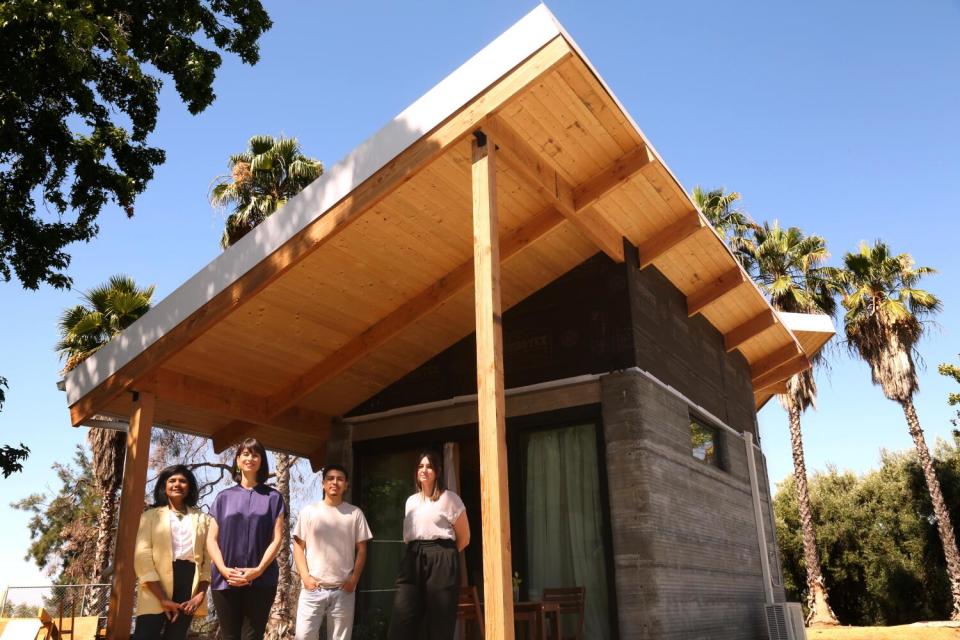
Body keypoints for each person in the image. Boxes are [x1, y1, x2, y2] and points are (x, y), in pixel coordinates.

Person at [207, 438, 285, 640]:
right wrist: (224, 569)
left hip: (261, 581)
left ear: (261, 461)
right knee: (229, 636)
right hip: (226, 580)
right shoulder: (223, 497)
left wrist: (258, 571)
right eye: (246, 454)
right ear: (238, 460)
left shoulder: (273, 498)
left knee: (252, 637)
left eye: (256, 454)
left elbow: (277, 539)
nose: (250, 458)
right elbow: (211, 540)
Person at [387, 450, 470, 640]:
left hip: (442, 556)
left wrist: (444, 557)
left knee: (439, 620)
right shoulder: (411, 501)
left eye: (429, 466)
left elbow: (464, 537)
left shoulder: (450, 499)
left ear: (437, 471)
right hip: (413, 555)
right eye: (420, 466)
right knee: (402, 616)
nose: (424, 470)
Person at [292, 464, 373, 640]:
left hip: (343, 590)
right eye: (330, 478)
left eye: (340, 479)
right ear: (323, 484)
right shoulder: (309, 512)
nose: (334, 482)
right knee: (303, 636)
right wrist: (305, 577)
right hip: (312, 590)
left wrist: (354, 580)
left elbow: (362, 550)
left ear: (346, 485)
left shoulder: (355, 514)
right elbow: (298, 547)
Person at [133, 464, 211, 640]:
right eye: (172, 480)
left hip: (189, 583)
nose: (177, 484)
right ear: (164, 486)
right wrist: (162, 598)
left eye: (183, 481)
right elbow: (142, 555)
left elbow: (208, 559)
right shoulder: (150, 516)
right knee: (145, 634)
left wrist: (199, 595)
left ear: (189, 487)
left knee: (176, 636)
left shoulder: (203, 519)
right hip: (155, 584)